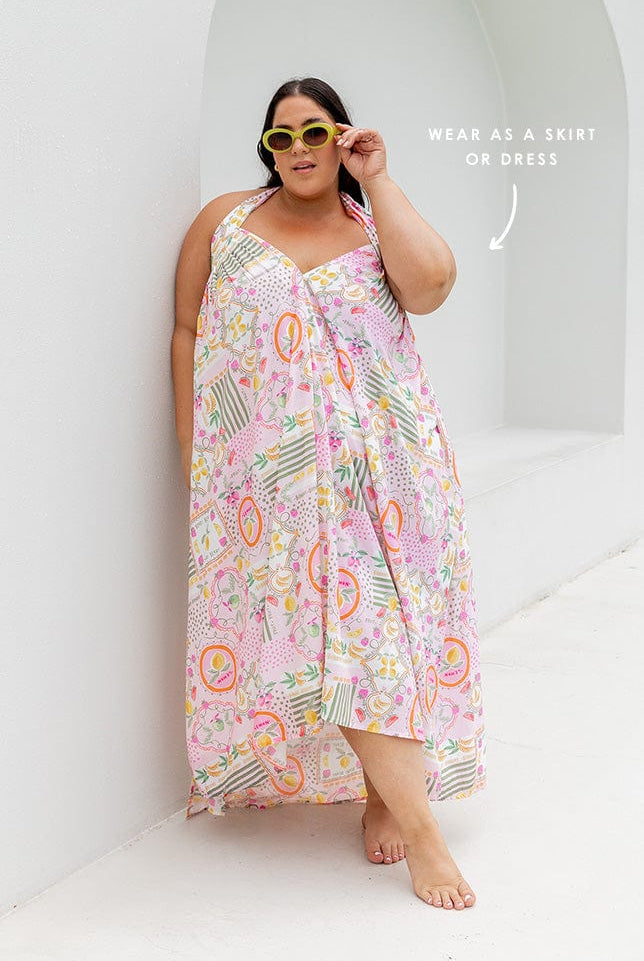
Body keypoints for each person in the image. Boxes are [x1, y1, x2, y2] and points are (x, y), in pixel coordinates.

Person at [172, 76, 487, 910]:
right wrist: (193, 456)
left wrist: (378, 179)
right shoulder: (226, 226)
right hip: (270, 489)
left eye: (318, 133)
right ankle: (391, 798)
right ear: (265, 147)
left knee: (383, 637)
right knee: (330, 641)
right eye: (283, 137)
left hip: (388, 474)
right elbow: (188, 332)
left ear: (342, 139)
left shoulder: (371, 224)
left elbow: (432, 287)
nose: (300, 150)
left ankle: (407, 815)